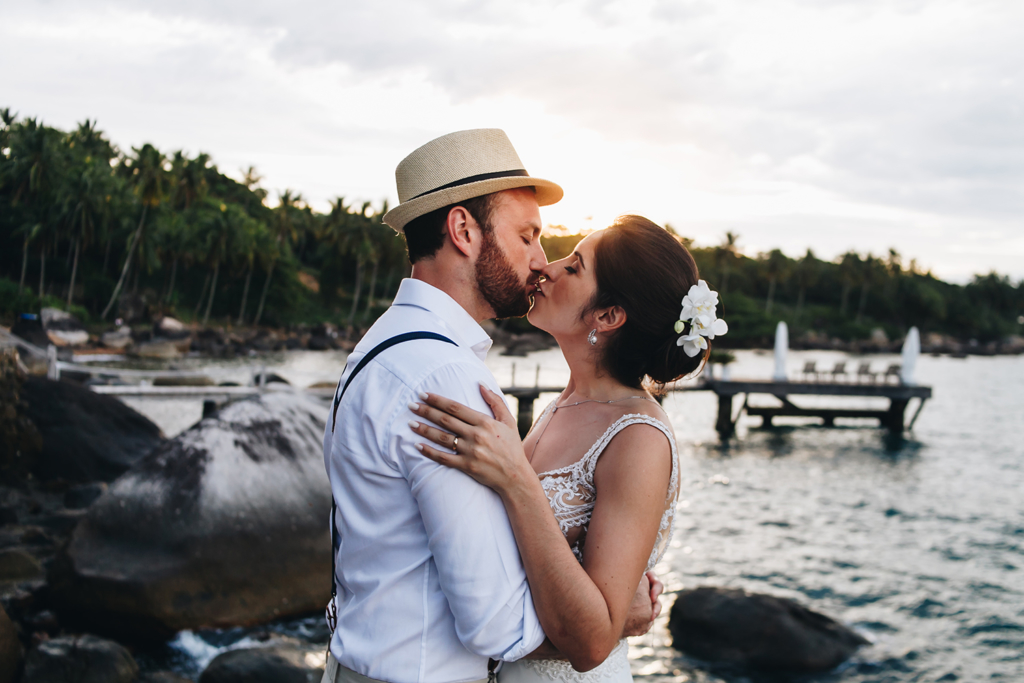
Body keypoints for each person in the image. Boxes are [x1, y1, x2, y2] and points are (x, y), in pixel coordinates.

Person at [322, 130, 662, 683]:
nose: (541, 261)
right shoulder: (446, 376)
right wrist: (611, 619)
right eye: (527, 236)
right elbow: (496, 624)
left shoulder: (381, 345)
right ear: (463, 230)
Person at [409, 215, 728, 683]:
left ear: (608, 316)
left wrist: (516, 481)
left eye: (574, 267)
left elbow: (592, 641)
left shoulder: (637, 436)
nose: (546, 267)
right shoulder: (563, 404)